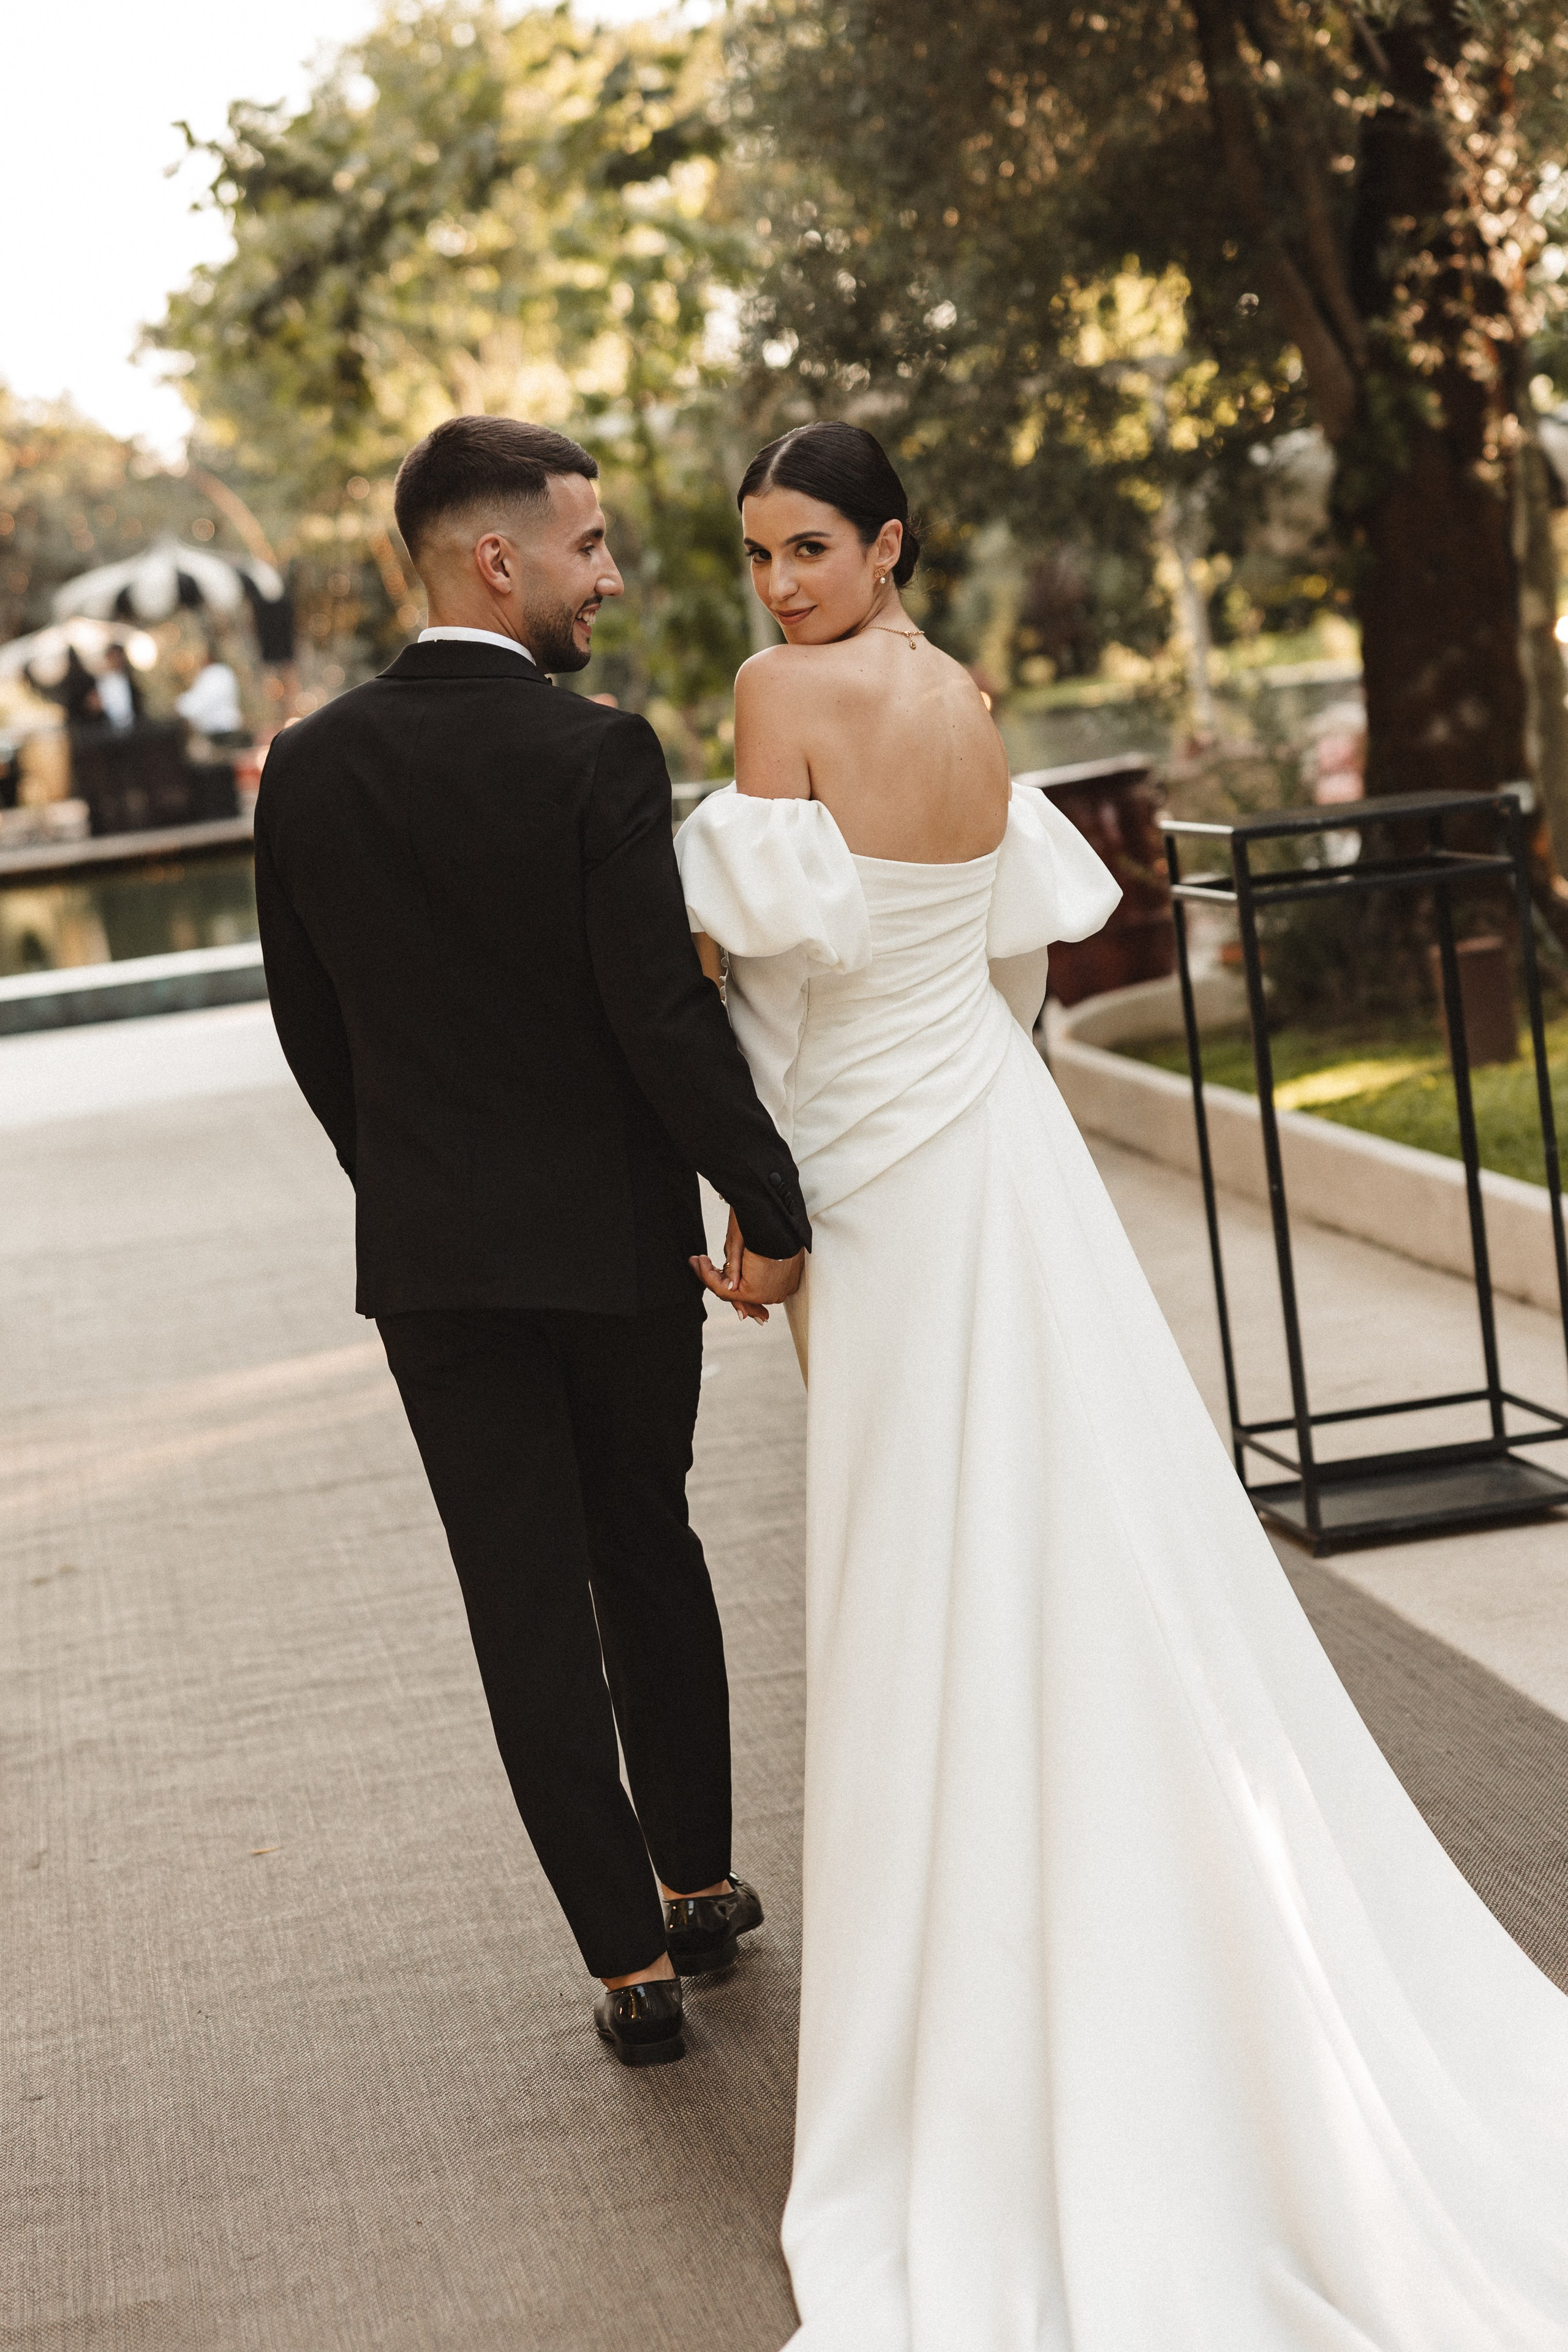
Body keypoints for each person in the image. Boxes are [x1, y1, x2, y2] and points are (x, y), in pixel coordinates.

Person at [676, 420, 1568, 2348]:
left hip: (876, 1163)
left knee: (919, 1539)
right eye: (756, 554)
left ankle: (981, 1970)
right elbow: (1003, 962)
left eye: (808, 545)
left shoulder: (772, 695)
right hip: (991, 1138)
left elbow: (762, 971)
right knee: (1074, 1503)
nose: (777, 585)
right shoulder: (967, 700)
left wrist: (759, 1203)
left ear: (890, 539)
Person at [254, 415, 810, 2067]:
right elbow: (659, 1018)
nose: (610, 575)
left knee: (519, 1594)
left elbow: (310, 1030)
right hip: (611, 1246)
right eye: (590, 543)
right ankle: (700, 1878)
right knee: (646, 1539)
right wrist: (766, 1201)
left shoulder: (311, 767)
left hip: (433, 1258)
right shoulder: (596, 754)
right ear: (498, 558)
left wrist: (409, 1176)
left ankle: (627, 1964)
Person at [176, 641, 247, 747]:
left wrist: (180, 706)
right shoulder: (224, 672)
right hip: (228, 728)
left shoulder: (213, 674)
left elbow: (202, 702)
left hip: (220, 731)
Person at [93, 639, 145, 731]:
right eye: (113, 656)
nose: (116, 660)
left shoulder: (132, 680)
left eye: (119, 656)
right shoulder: (101, 683)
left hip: (134, 731)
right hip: (109, 732)